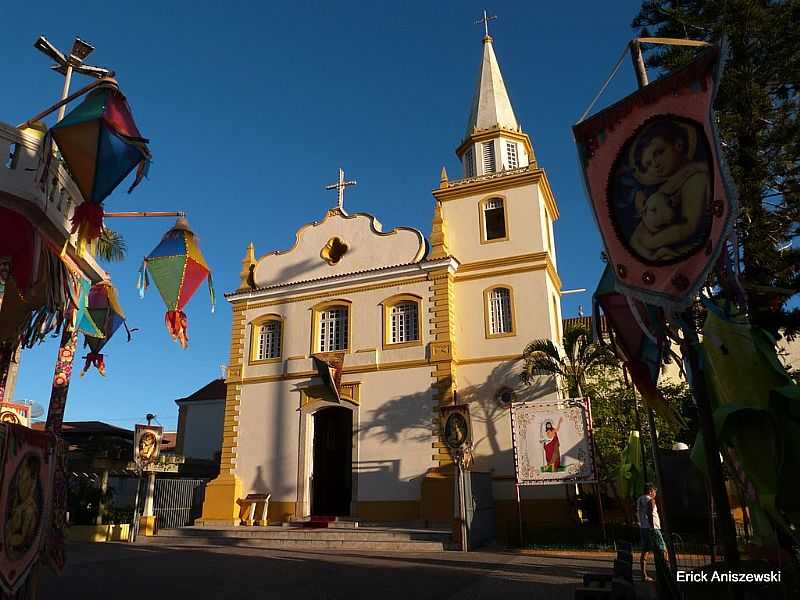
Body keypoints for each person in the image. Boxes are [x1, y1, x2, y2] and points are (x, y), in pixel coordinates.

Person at [628, 120, 710, 261]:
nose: (655, 164)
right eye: (648, 164)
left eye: (659, 152)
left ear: (678, 144)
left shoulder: (696, 178)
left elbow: (688, 227)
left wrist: (651, 243)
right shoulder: (665, 189)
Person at [637, 482, 667, 582]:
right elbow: (650, 514)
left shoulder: (640, 499)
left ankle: (643, 575)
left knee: (645, 551)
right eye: (654, 491)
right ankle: (666, 574)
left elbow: (638, 512)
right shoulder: (651, 500)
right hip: (652, 529)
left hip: (643, 529)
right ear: (650, 491)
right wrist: (652, 527)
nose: (655, 493)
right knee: (663, 550)